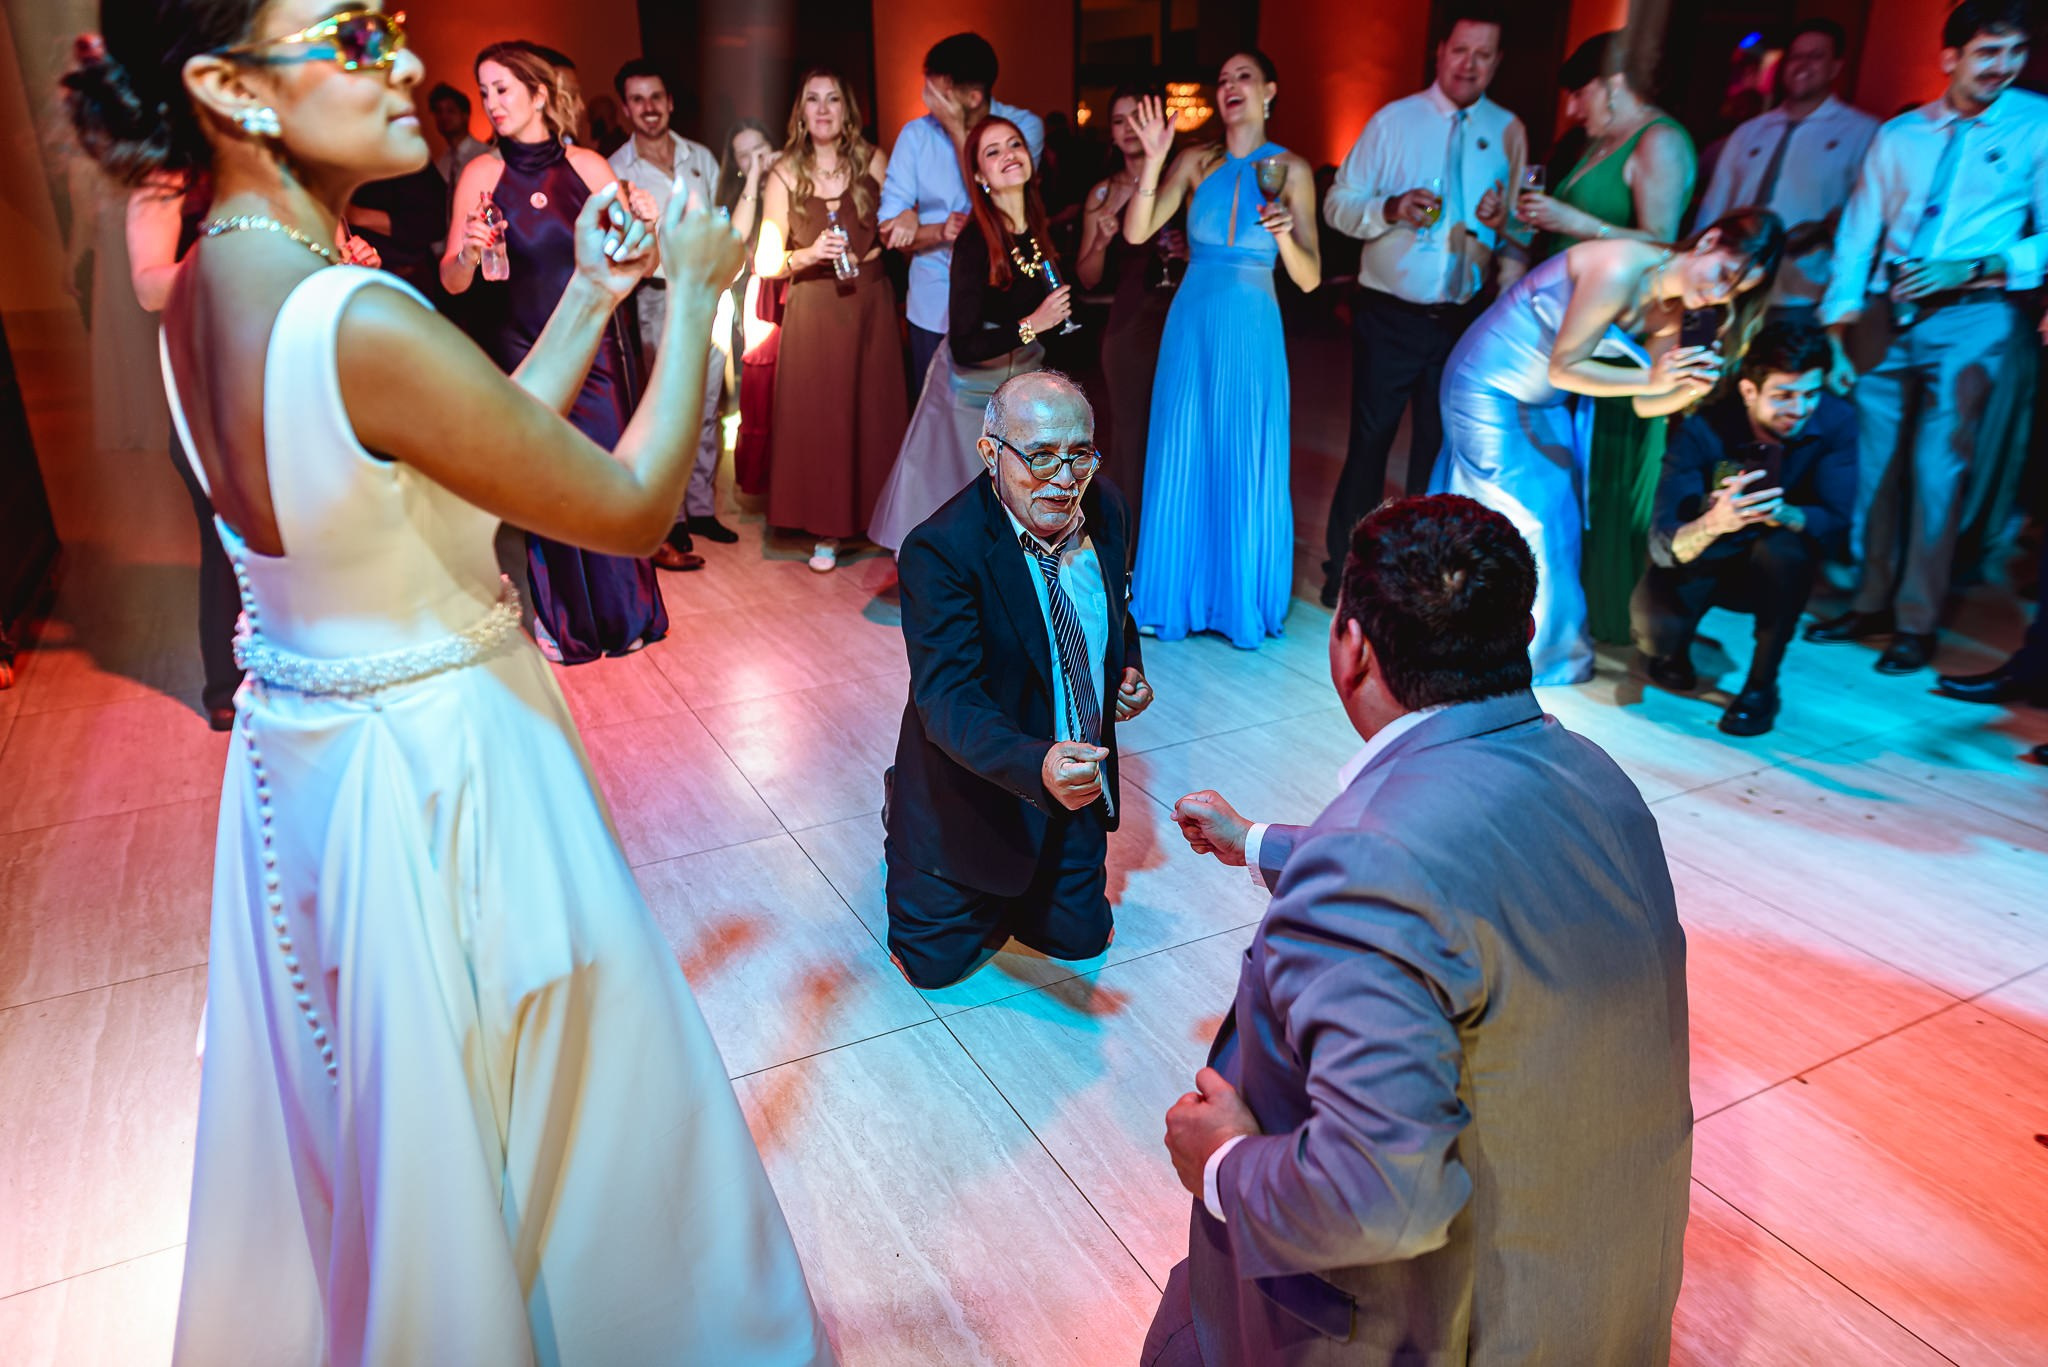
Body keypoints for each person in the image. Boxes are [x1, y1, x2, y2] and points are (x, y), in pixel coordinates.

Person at [62, 4, 831, 1360]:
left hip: (318, 773)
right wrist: (698, 286)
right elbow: (630, 503)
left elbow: (454, 474)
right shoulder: (352, 312)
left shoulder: (203, 289)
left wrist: (590, 294)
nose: (407, 64)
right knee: (565, 1129)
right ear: (229, 88)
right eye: (356, 35)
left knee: (409, 1123)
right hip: (450, 770)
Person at [1149, 495, 1689, 1367]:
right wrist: (1259, 844)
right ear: (1520, 628)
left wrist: (1223, 1164)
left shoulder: (1373, 863)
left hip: (1449, 1324)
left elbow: (1380, 1197)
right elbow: (1469, 864)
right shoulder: (1596, 776)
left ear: (1351, 645)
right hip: (1599, 1295)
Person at [1431, 209, 1785, 684]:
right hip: (1490, 384)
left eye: (1736, 291)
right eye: (1725, 274)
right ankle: (1496, 654)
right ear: (1708, 241)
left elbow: (1644, 404)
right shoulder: (1620, 265)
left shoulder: (1679, 306)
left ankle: (1534, 656)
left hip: (1547, 402)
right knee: (1524, 522)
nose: (1722, 293)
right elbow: (1565, 366)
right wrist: (1654, 376)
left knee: (1558, 522)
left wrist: (1691, 386)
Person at [884, 371, 1152, 989]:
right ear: (990, 452)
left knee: (1082, 940)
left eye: (1079, 455)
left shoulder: (1105, 506)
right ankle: (902, 807)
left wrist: (1127, 664)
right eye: (1040, 458)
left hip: (1070, 790)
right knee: (935, 968)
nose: (1064, 481)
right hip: (977, 783)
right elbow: (947, 699)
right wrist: (1037, 765)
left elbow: (1113, 606)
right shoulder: (940, 550)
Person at [1807, 0, 2048, 675]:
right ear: (1951, 58)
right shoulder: (1901, 134)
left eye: (2015, 52)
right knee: (1874, 468)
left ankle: (1916, 622)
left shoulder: (2038, 126)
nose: (2003, 67)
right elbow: (1858, 234)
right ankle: (1868, 601)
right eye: (1987, 52)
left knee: (1938, 474)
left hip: (1976, 313)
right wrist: (1837, 327)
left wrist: (1975, 265)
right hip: (1888, 314)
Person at [442, 41, 684, 651]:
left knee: (604, 476)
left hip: (595, 347)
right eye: (485, 92)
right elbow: (451, 279)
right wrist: (469, 249)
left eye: (503, 89)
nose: (492, 103)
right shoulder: (480, 173)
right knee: (545, 485)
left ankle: (627, 616)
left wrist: (647, 225)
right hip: (520, 352)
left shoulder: (589, 168)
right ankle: (565, 624)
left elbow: (640, 260)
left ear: (540, 94)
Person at [1320, 6, 1526, 610]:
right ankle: (1349, 573)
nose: (1470, 65)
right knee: (1369, 444)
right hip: (1390, 313)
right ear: (1440, 52)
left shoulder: (1508, 129)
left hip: (1462, 317)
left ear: (1497, 62)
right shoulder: (1394, 121)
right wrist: (1389, 208)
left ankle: (1421, 581)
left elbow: (1516, 229)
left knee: (1441, 450)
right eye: (1461, 51)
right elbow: (1339, 204)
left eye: (1483, 55)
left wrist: (1505, 223)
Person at [1123, 53, 1321, 649]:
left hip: (1253, 320)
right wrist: (1156, 160)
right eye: (1224, 79)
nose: (1231, 87)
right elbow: (1136, 232)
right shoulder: (1194, 161)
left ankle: (1237, 598)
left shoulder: (1292, 169)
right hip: (1193, 319)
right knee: (1184, 443)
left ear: (1269, 92)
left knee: (1242, 447)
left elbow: (1310, 278)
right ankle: (1174, 595)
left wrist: (1287, 233)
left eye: (1245, 78)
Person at [1519, 30, 1700, 651]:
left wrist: (1577, 223)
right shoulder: (1602, 142)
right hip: (1578, 323)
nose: (1572, 109)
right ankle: (1565, 605)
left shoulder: (1662, 140)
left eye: (1579, 94)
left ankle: (1610, 616)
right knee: (1573, 472)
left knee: (1609, 475)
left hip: (1622, 333)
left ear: (1611, 84)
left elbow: (1665, 246)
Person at [1632, 321, 1856, 736]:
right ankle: (1673, 650)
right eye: (1784, 396)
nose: (1800, 409)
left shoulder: (1836, 421)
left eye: (1810, 394)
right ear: (1750, 391)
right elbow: (1664, 542)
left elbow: (1838, 518)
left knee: (1786, 550)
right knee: (1656, 635)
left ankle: (1761, 687)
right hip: (1704, 559)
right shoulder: (1703, 428)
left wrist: (1784, 513)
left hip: (1775, 564)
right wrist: (1715, 522)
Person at [870, 117, 1067, 551]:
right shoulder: (976, 240)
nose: (1008, 155)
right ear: (980, 176)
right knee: (961, 503)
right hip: (972, 389)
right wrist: (1036, 323)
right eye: (992, 151)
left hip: (1022, 384)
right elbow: (964, 342)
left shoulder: (1037, 227)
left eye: (1014, 144)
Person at [755, 70, 907, 572]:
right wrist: (809, 253)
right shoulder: (783, 173)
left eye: (833, 100)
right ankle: (826, 528)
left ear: (848, 110)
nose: (822, 109)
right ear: (800, 112)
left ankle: (885, 520)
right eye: (812, 100)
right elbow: (767, 262)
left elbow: (897, 224)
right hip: (816, 306)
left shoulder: (873, 160)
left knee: (875, 412)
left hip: (871, 301)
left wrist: (898, 231)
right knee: (823, 419)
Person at [122, 170, 242, 730]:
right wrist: (243, 253)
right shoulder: (165, 181)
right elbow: (149, 287)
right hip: (208, 382)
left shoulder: (262, 161)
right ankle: (228, 683)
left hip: (279, 365)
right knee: (224, 534)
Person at [609, 58, 734, 561]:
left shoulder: (700, 156)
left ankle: (702, 507)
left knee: (708, 406)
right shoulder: (617, 169)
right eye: (637, 99)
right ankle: (672, 516)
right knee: (667, 411)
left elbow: (723, 219)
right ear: (625, 108)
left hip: (707, 294)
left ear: (670, 102)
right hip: (655, 297)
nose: (649, 108)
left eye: (655, 97)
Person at [878, 33, 1046, 394]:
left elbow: (999, 202)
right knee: (940, 423)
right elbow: (890, 230)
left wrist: (956, 128)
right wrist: (935, 229)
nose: (928, 102)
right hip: (933, 304)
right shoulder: (916, 135)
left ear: (972, 97)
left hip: (1006, 308)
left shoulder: (1019, 129)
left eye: (938, 96)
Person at [1688, 20, 1879, 326]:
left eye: (1815, 56)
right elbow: (1713, 209)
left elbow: (1862, 222)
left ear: (1835, 67)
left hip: (1802, 295)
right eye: (1796, 56)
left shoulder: (1862, 132)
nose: (1803, 64)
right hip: (1727, 288)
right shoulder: (1749, 132)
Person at [1074, 83, 1185, 534]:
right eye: (1118, 121)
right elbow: (1087, 277)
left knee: (1180, 427)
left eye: (1137, 116)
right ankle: (1129, 541)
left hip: (1181, 313)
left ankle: (1175, 533)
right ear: (1112, 134)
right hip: (1130, 323)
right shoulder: (1104, 193)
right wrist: (1100, 240)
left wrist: (1190, 250)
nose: (1129, 128)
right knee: (1131, 433)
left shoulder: (1182, 179)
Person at [720, 119, 782, 497]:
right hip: (760, 298)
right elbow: (738, 239)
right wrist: (754, 179)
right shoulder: (735, 196)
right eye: (743, 153)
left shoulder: (793, 178)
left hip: (802, 291)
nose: (753, 156)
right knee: (765, 392)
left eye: (758, 146)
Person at [426, 81, 487, 212]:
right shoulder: (442, 162)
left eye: (450, 111)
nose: (444, 117)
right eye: (438, 111)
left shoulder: (484, 155)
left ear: (465, 115)